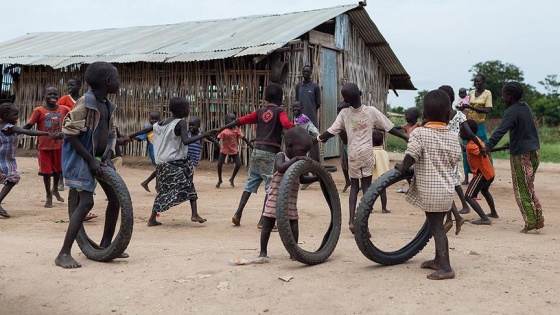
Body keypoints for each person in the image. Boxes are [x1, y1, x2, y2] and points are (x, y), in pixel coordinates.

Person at [55, 62, 123, 268]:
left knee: (115, 200)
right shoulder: (86, 102)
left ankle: (105, 245)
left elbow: (110, 132)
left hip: (100, 158)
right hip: (81, 159)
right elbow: (70, 133)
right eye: (117, 78)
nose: (120, 82)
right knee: (86, 203)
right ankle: (63, 253)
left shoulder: (107, 104)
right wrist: (91, 159)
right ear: (108, 81)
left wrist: (109, 155)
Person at [315, 83, 408, 234]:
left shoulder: (344, 113)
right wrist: (404, 137)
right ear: (360, 93)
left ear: (346, 100)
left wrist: (317, 139)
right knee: (366, 188)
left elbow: (331, 131)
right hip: (366, 153)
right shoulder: (370, 111)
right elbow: (388, 127)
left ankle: (351, 221)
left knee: (354, 188)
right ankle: (363, 225)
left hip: (352, 154)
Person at [395, 89, 461, 280]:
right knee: (436, 225)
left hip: (431, 191)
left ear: (424, 115)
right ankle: (438, 259)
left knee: (437, 227)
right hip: (446, 190)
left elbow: (412, 154)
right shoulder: (451, 135)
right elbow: (456, 157)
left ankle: (446, 267)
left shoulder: (420, 134)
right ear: (448, 115)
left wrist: (402, 168)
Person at [214, 83, 294, 226]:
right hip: (271, 153)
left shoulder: (259, 111)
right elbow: (287, 124)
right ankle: (263, 220)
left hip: (256, 151)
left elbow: (240, 120)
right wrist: (298, 129)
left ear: (265, 97)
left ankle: (238, 213)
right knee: (271, 187)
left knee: (250, 184)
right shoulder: (280, 111)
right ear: (280, 98)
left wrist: (222, 128)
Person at [127, 98, 213, 227]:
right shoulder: (181, 122)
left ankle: (189, 214)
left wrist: (130, 136)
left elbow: (147, 129)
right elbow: (186, 141)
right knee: (185, 186)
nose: (189, 110)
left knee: (170, 188)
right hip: (174, 161)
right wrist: (205, 135)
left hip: (165, 162)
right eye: (187, 107)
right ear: (181, 110)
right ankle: (191, 214)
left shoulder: (163, 122)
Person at [485, 81, 543, 233]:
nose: (502, 98)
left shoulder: (511, 111)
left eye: (503, 95)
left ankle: (530, 222)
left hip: (521, 155)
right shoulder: (525, 107)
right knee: (529, 186)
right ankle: (538, 218)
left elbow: (500, 131)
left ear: (509, 97)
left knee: (521, 189)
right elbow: (526, 129)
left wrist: (488, 146)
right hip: (534, 151)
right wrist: (512, 142)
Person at [259, 127, 317, 258]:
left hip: (290, 199)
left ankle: (294, 252)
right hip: (275, 198)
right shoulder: (281, 156)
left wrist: (317, 178)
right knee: (268, 224)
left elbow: (302, 179)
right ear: (290, 146)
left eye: (307, 152)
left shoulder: (299, 163)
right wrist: (295, 160)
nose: (305, 155)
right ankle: (263, 251)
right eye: (303, 151)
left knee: (294, 225)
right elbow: (280, 168)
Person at [438, 85, 483, 234]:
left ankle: (452, 218)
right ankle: (452, 219)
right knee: (448, 185)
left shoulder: (439, 116)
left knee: (444, 186)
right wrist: (480, 146)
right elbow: (470, 133)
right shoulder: (459, 115)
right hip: (454, 152)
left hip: (442, 153)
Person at [0, 103, 53, 218]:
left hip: (4, 159)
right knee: (12, 179)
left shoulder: (4, 126)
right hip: (5, 161)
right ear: (5, 115)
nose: (17, 117)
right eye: (15, 115)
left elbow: (21, 130)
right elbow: (29, 132)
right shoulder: (9, 127)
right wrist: (47, 133)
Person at [23, 85, 69, 208]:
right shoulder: (39, 110)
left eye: (55, 94)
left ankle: (55, 189)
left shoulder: (64, 109)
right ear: (44, 96)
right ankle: (48, 194)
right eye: (50, 94)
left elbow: (71, 122)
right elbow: (29, 125)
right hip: (44, 147)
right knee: (46, 173)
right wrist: (17, 130)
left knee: (58, 171)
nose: (53, 96)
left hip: (59, 146)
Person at [460, 120, 497, 225]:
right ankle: (493, 213)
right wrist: (465, 149)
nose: (460, 133)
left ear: (468, 133)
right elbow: (476, 151)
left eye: (461, 131)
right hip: (489, 173)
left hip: (482, 174)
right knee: (485, 191)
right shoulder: (475, 141)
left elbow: (479, 152)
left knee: (468, 196)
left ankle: (484, 218)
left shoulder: (472, 145)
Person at [458, 74, 492, 185]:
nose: (476, 83)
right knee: (466, 150)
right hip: (468, 125)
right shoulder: (471, 93)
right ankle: (467, 177)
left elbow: (487, 110)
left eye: (478, 82)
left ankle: (487, 174)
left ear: (484, 82)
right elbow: (465, 105)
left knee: (483, 150)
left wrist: (470, 107)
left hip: (480, 125)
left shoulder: (487, 93)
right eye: (475, 82)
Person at [56, 77, 82, 191]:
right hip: (67, 130)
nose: (69, 87)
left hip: (80, 130)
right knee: (65, 154)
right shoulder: (64, 99)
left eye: (72, 85)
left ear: (79, 86)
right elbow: (56, 111)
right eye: (68, 85)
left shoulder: (83, 99)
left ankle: (76, 178)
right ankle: (61, 180)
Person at [216, 113, 252, 188]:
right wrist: (216, 144)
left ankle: (232, 178)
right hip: (224, 149)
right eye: (231, 119)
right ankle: (220, 179)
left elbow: (243, 137)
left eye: (234, 119)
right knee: (219, 164)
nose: (233, 121)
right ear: (226, 121)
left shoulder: (237, 130)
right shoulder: (224, 131)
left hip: (233, 150)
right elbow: (218, 138)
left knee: (238, 164)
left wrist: (249, 144)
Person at [295, 65, 321, 162]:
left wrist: (310, 112)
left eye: (308, 72)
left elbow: (318, 104)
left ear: (311, 73)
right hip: (300, 121)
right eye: (304, 71)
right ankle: (302, 164)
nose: (306, 73)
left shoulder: (315, 87)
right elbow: (297, 103)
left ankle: (316, 165)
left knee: (313, 142)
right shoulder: (298, 87)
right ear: (302, 73)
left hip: (312, 120)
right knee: (300, 142)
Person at [137, 111, 160, 192]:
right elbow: (140, 137)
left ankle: (147, 183)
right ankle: (157, 187)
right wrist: (132, 138)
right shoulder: (147, 128)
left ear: (160, 119)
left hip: (161, 152)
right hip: (154, 153)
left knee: (160, 169)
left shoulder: (161, 127)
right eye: (152, 119)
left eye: (156, 119)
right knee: (160, 168)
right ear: (149, 119)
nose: (154, 121)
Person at [372, 130, 390, 213]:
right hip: (384, 177)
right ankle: (384, 208)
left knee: (372, 194)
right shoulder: (385, 153)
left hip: (374, 178)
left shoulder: (372, 153)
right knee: (383, 193)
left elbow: (372, 164)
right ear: (382, 141)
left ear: (371, 142)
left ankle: (370, 208)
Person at [337, 101, 351, 192]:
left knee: (354, 166)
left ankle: (358, 183)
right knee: (344, 165)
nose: (338, 113)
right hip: (345, 145)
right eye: (337, 112)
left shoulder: (351, 121)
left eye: (340, 111)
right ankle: (347, 181)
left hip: (352, 145)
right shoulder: (339, 120)